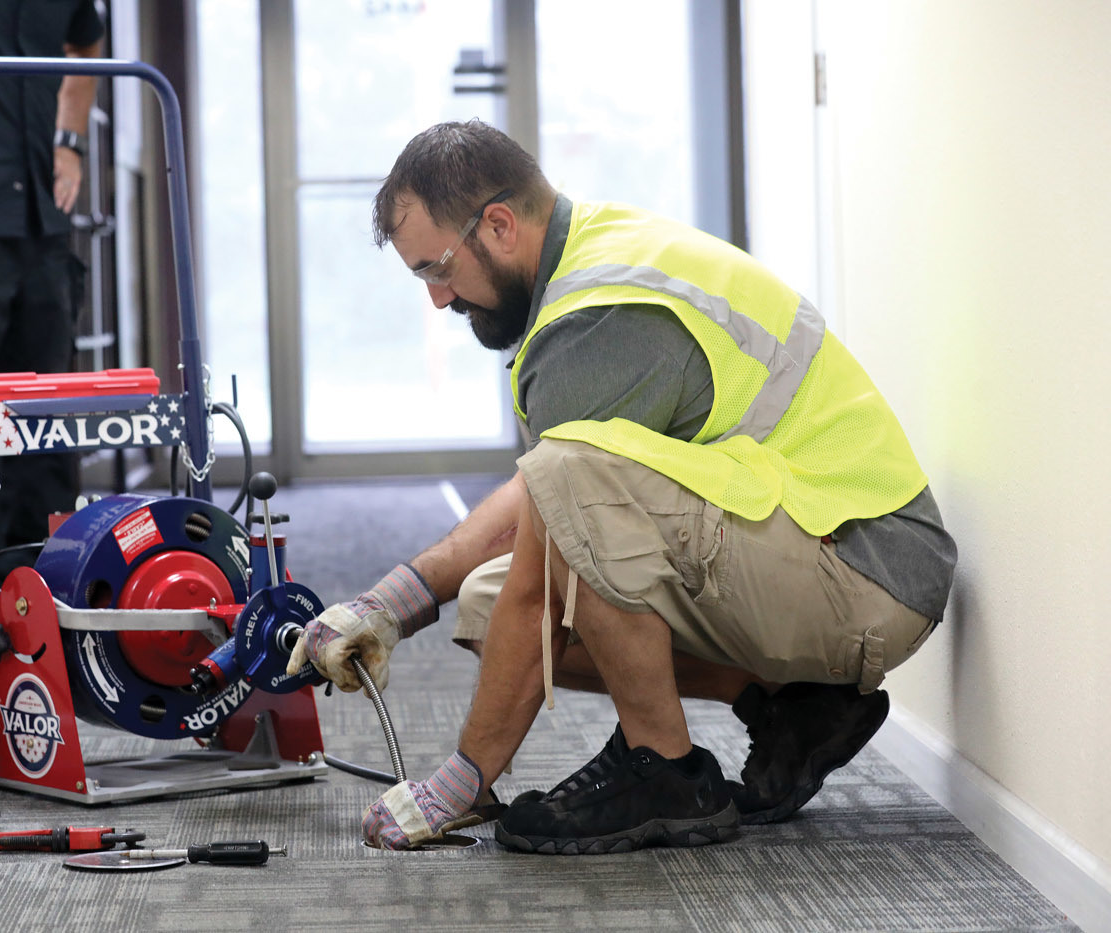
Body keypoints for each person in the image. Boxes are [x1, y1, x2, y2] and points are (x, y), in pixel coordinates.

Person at [288, 120, 957, 854]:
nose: (440, 299)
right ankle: (787, 704)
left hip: (865, 568)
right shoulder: (593, 251)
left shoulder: (598, 319)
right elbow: (537, 510)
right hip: (809, 545)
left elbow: (552, 536)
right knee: (483, 601)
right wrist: (390, 604)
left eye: (435, 269)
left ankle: (664, 769)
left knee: (567, 502)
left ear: (500, 226)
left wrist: (463, 781)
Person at [0, 0, 105, 561]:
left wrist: (70, 140)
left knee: (49, 400)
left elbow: (87, 44)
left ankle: (47, 570)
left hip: (42, 214)